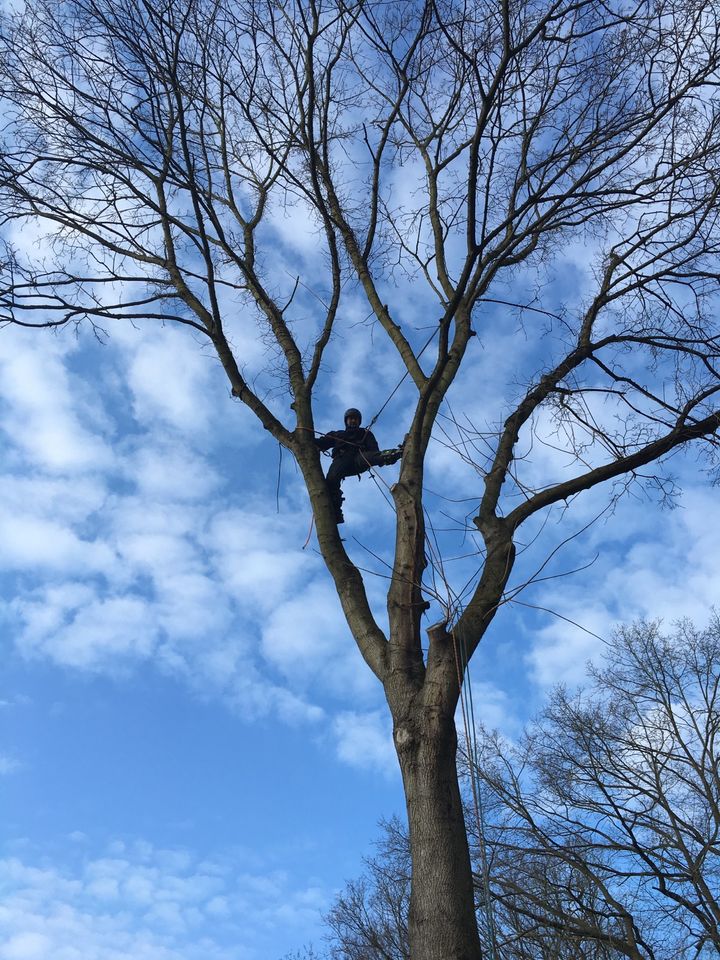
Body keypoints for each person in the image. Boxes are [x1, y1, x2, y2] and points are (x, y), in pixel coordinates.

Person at [315, 408, 380, 524]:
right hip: (341, 460)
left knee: (375, 456)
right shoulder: (338, 434)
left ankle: (392, 455)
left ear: (359, 421)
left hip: (359, 459)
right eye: (351, 419)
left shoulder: (365, 434)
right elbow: (322, 443)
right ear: (346, 421)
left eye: (355, 419)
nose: (353, 421)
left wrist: (365, 449)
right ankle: (336, 511)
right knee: (331, 480)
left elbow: (374, 450)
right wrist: (308, 438)